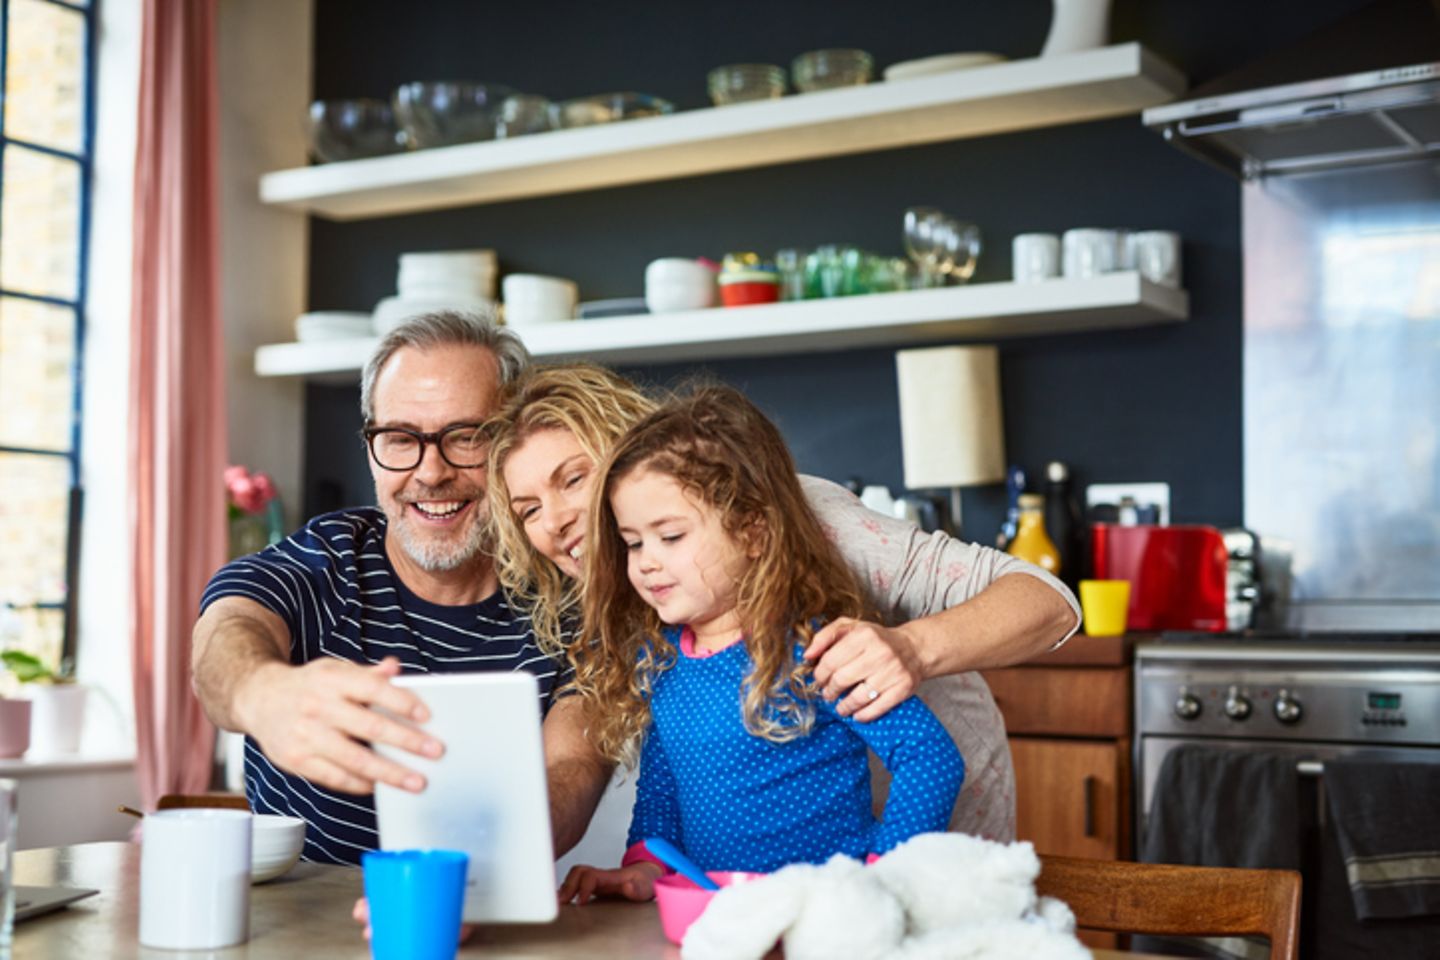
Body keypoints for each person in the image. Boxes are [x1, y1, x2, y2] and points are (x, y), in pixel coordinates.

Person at [486, 363, 1080, 844]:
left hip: (930, 844)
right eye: (529, 510)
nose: (557, 521)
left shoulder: (802, 518)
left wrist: (912, 649)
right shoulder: (640, 593)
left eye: (573, 480)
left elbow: (1049, 602)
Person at [191, 310, 611, 865]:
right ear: (371, 449)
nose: (430, 472)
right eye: (399, 438)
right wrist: (260, 692)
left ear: (513, 444)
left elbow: (572, 769)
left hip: (471, 911)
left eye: (465, 437)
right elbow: (227, 632)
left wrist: (476, 857)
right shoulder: (327, 560)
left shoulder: (574, 600)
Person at [558, 386, 966, 902]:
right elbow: (662, 791)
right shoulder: (660, 659)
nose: (646, 561)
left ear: (752, 532)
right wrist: (647, 867)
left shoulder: (813, 648)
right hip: (717, 921)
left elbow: (929, 757)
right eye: (633, 542)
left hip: (827, 921)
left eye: (671, 536)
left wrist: (883, 877)